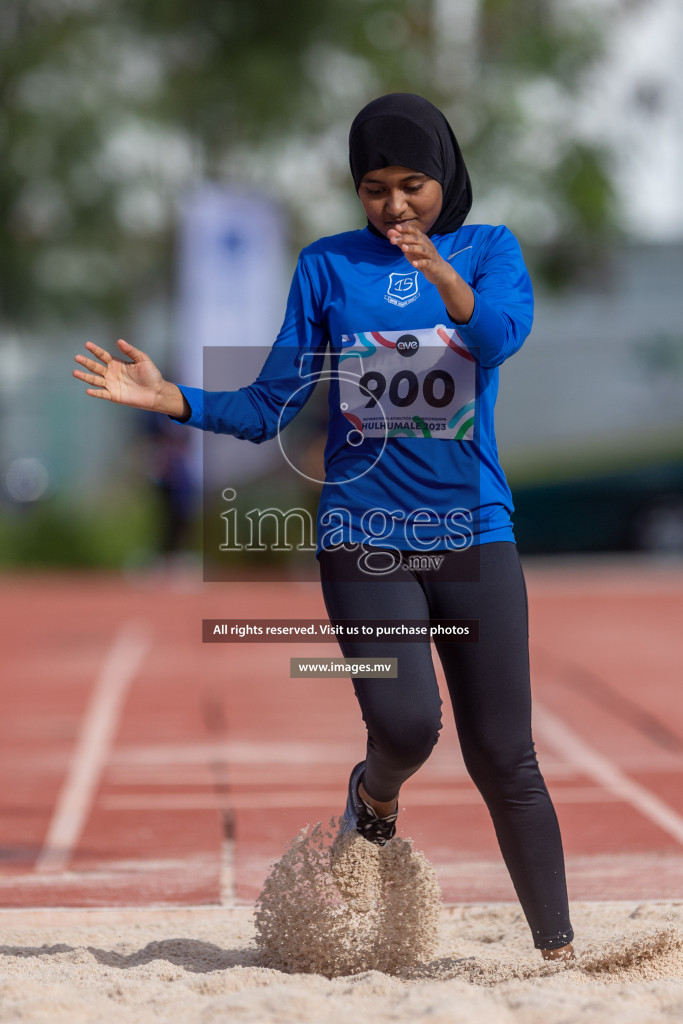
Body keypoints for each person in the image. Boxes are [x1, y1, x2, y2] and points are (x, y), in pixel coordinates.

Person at [73, 93, 575, 960]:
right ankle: (371, 798)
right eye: (373, 189)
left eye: (411, 185)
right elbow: (270, 404)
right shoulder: (325, 266)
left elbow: (495, 340)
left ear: (443, 178)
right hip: (361, 535)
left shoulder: (488, 250)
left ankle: (557, 951)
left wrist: (441, 275)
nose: (393, 206)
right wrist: (174, 399)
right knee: (409, 723)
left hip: (473, 531)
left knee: (505, 753)